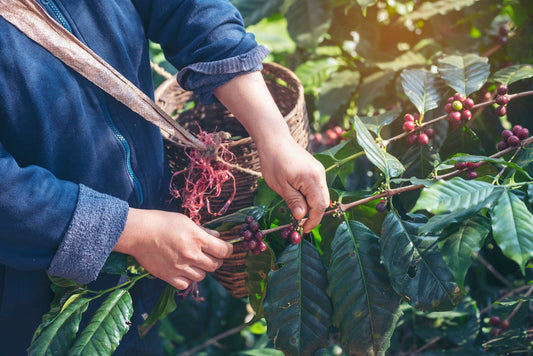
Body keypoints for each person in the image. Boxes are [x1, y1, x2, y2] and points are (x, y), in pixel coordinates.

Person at [0, 0, 329, 354]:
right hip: (31, 295)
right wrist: (131, 231)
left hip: (146, 270)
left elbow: (189, 10)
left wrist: (274, 135)